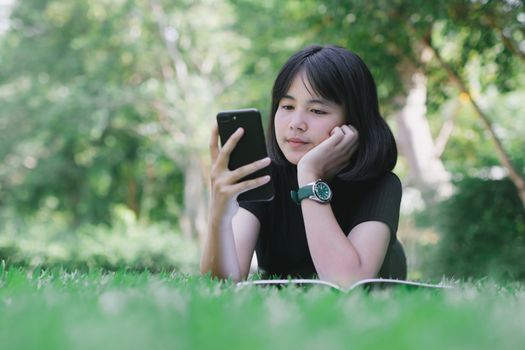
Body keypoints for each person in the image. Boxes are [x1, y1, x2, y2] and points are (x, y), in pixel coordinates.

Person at [201, 44, 406, 288]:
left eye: (317, 110)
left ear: (353, 122)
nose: (296, 123)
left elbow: (347, 283)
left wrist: (309, 177)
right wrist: (219, 215)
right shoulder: (265, 177)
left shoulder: (381, 185)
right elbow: (222, 283)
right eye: (287, 106)